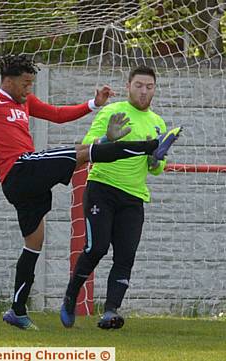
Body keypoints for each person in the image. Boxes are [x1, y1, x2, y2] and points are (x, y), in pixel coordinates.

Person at [0, 54, 178, 330]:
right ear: (8, 80)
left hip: (29, 184)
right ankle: (151, 147)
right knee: (80, 152)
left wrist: (92, 104)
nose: (29, 89)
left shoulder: (25, 101)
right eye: (25, 83)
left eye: (31, 84)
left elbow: (56, 115)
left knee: (34, 243)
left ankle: (17, 310)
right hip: (18, 168)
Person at [59, 65, 181, 330]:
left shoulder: (157, 123)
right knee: (97, 248)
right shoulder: (112, 111)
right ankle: (71, 297)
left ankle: (110, 312)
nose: (144, 91)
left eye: (149, 86)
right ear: (128, 86)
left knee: (126, 255)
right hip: (102, 189)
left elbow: (157, 170)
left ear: (155, 89)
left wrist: (155, 158)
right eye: (139, 85)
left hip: (133, 197)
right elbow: (87, 147)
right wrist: (107, 138)